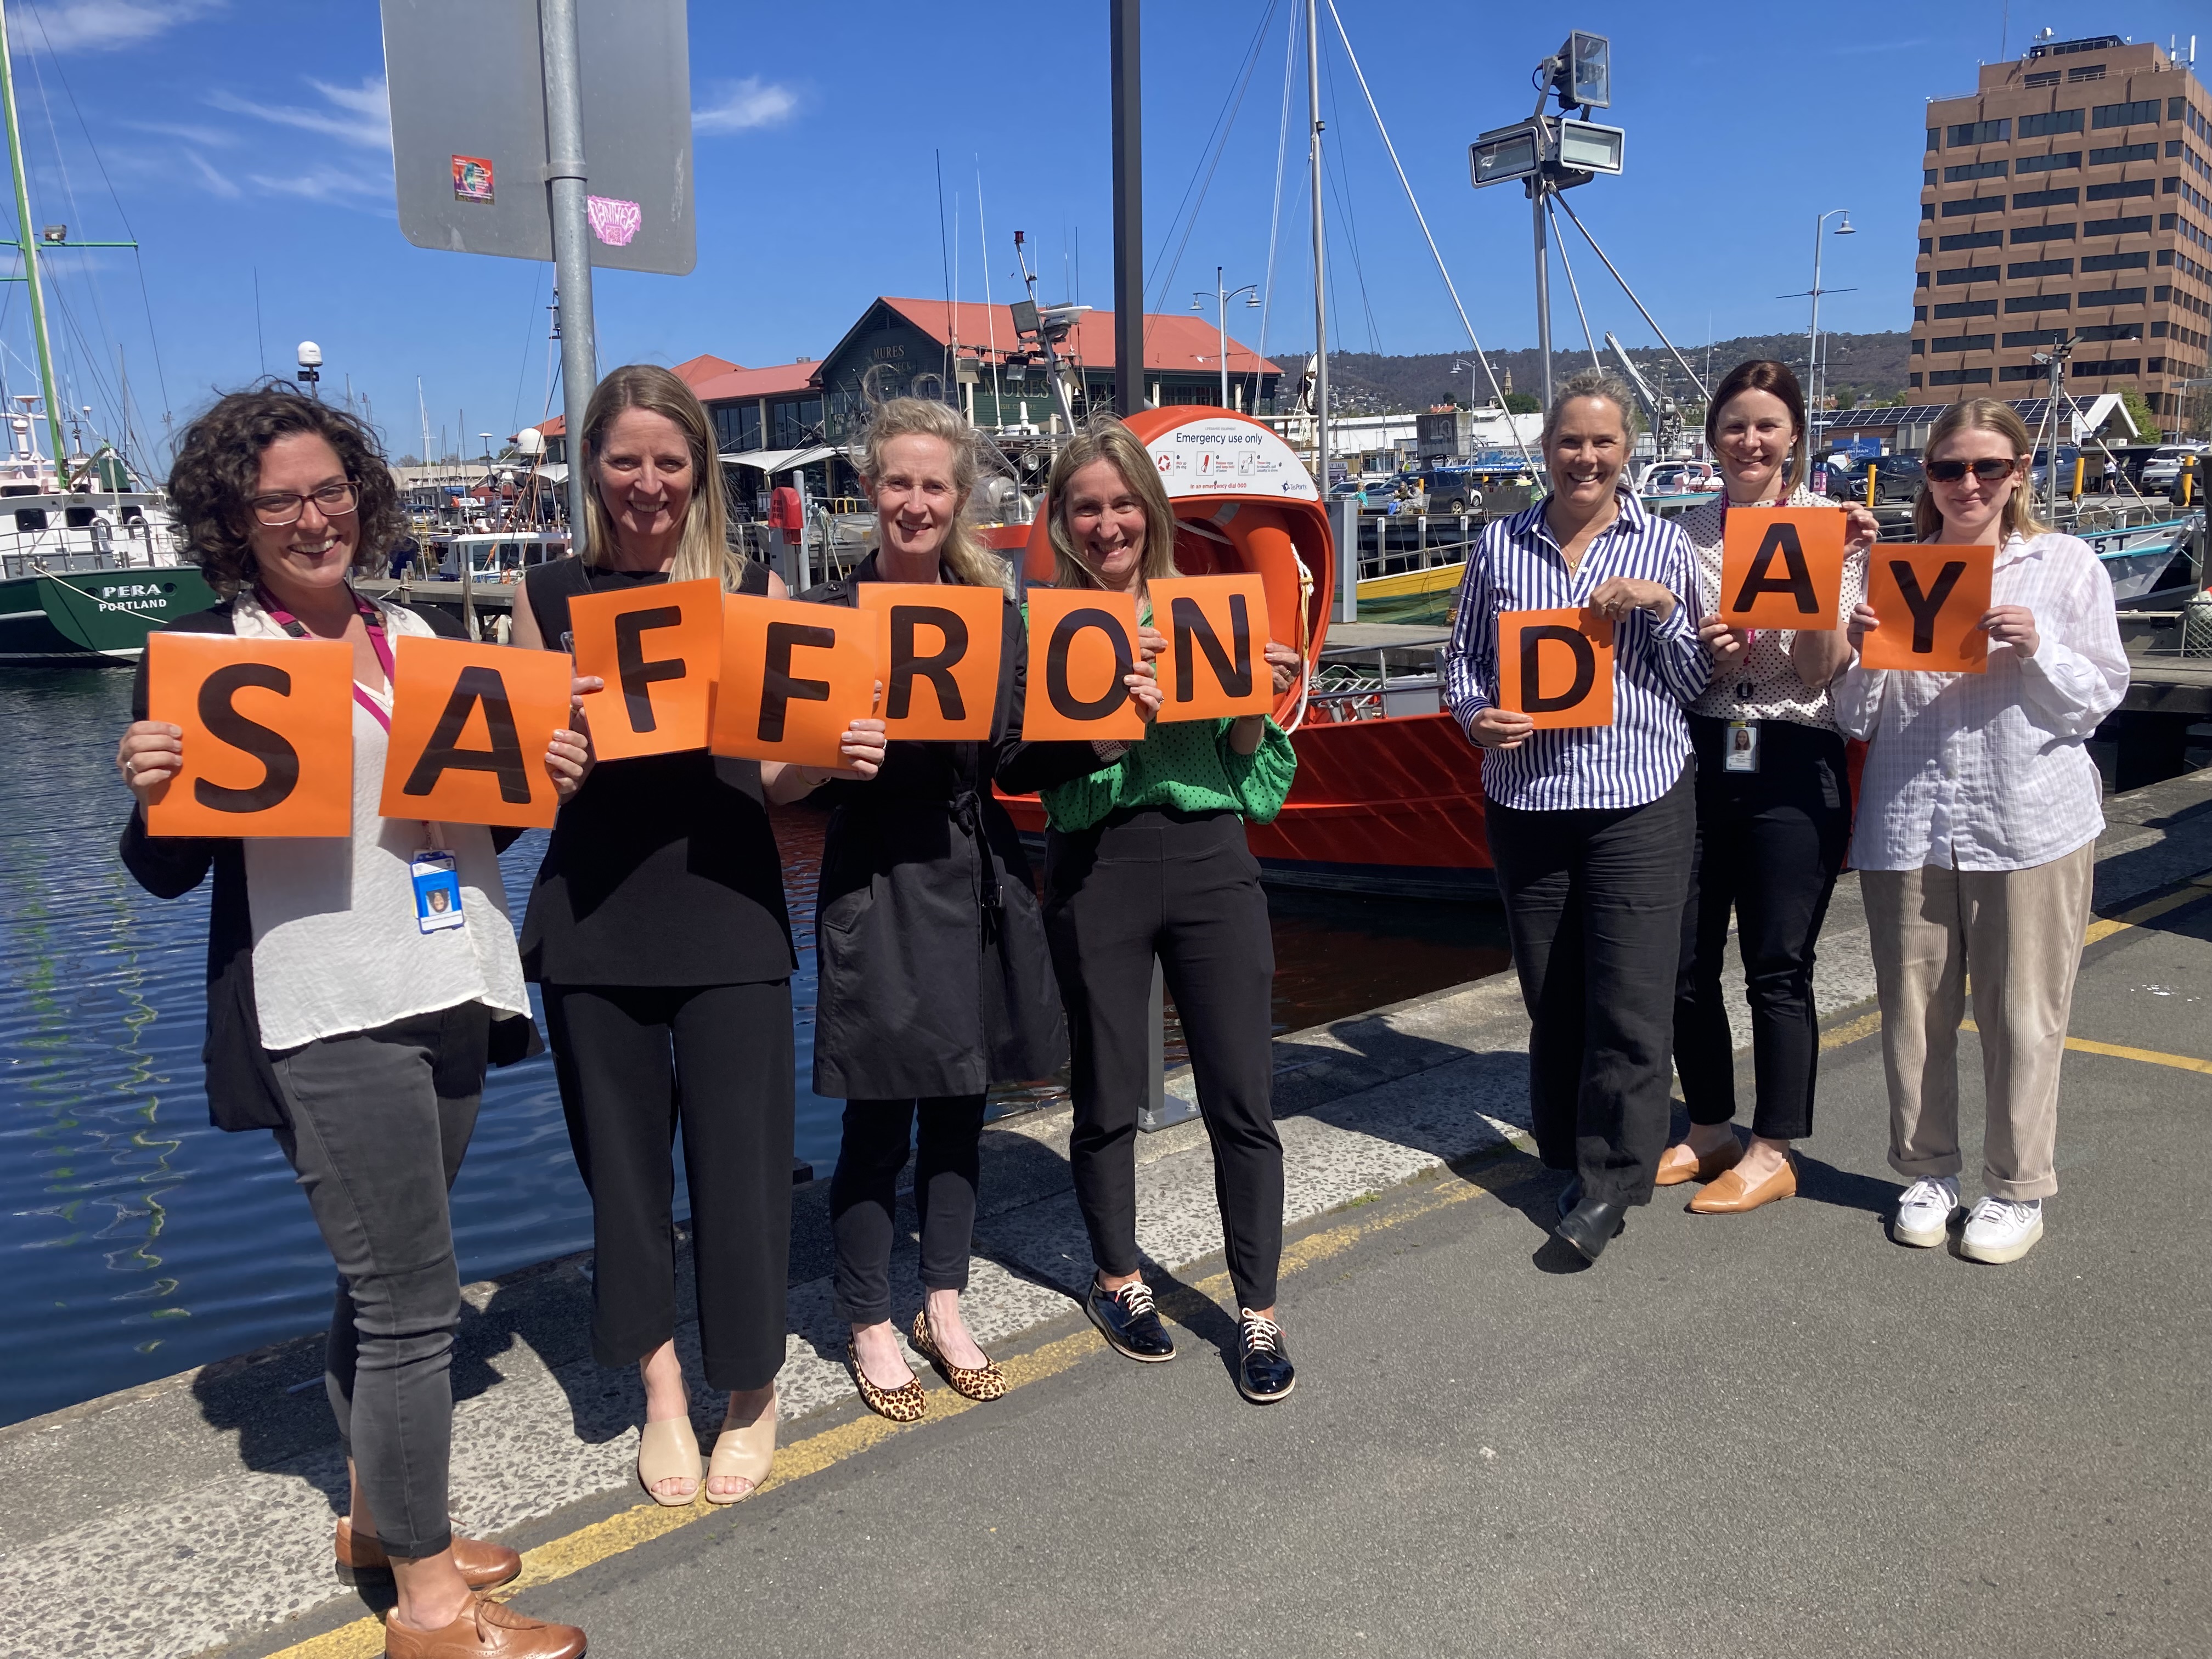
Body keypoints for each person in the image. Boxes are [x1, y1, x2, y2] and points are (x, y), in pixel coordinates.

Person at [114, 387, 587, 1659]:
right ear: (235, 518)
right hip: (326, 1007)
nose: (312, 518)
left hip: (448, 985)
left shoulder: (415, 631)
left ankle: (381, 1520)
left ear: (363, 498)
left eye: (329, 492)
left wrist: (541, 782)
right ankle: (429, 1604)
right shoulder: (216, 652)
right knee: (412, 1302)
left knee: (380, 1286)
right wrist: (156, 795)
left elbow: (472, 822)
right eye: (279, 500)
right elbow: (163, 874)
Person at [512, 364, 801, 1506]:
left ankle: (752, 1392)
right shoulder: (543, 594)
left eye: (669, 461)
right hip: (593, 924)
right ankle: (664, 1390)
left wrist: (836, 750)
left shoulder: (750, 584)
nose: (646, 482)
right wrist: (549, 763)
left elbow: (779, 782)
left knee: (741, 1178)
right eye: (625, 460)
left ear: (700, 473)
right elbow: (516, 783)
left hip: (729, 913)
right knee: (624, 1182)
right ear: (594, 467)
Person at [997, 416, 1304, 1403]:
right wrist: (1110, 732)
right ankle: (1117, 1278)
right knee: (1107, 1093)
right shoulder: (1051, 628)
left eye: (1123, 503)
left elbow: (1254, 778)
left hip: (1214, 857)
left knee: (1241, 1096)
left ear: (1151, 510)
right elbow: (1045, 785)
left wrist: (1254, 704)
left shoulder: (1209, 610)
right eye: (1085, 507)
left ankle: (1258, 1309)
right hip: (1102, 859)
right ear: (1062, 519)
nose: (1106, 523)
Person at [778, 398, 1064, 1421]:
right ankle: (865, 1318)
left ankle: (943, 1302)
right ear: (868, 489)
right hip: (875, 881)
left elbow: (1025, 752)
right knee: (875, 1115)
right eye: (897, 482)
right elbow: (774, 779)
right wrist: (820, 759)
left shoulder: (997, 613)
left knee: (961, 1107)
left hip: (973, 867)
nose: (914, 502)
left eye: (933, 485)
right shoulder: (825, 614)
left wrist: (1114, 713)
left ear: (960, 499)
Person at [1838, 398, 2128, 1263]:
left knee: (2025, 1014)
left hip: (2030, 817)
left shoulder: (2064, 564)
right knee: (1913, 1014)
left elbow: (2097, 699)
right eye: (1949, 467)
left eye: (1987, 467)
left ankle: (2016, 1187)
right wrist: (1854, 649)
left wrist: (2038, 645)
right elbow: (1857, 719)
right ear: (1924, 477)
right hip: (1910, 820)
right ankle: (1927, 1169)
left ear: (2018, 473)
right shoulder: (1894, 571)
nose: (1968, 483)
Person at [1443, 369, 1709, 1264]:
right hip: (1530, 800)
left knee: (1631, 1001)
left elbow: (1694, 686)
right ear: (1546, 450)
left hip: (1639, 795)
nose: (1585, 458)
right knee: (1551, 995)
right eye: (1569, 442)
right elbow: (1463, 664)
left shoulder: (1665, 547)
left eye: (1602, 443)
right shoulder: (1497, 546)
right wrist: (1478, 717)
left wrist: (1661, 612)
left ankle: (1611, 1184)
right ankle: (1562, 1144)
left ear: (1626, 451)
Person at [1664, 360, 1881, 1215]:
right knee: (1684, 960)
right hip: (1702, 748)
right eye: (1734, 426)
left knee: (1777, 966)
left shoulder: (1833, 528)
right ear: (1713, 437)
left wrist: (1829, 581)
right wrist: (1701, 656)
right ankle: (1711, 1124)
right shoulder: (1684, 534)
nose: (1749, 442)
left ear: (1794, 435)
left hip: (1793, 750)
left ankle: (1775, 1145)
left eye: (1766, 426)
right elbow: (1666, 669)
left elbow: (1823, 670)